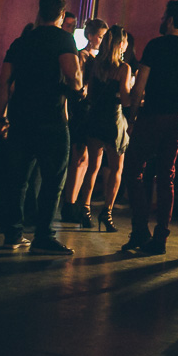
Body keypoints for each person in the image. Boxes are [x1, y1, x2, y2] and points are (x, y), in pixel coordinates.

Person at [0, 0, 81, 255]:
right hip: (52, 119)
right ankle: (43, 237)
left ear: (40, 11)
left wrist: (1, 117)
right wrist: (78, 87)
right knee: (53, 181)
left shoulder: (21, 41)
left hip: (20, 118)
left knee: (18, 180)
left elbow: (3, 82)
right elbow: (74, 78)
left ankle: (13, 234)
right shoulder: (64, 39)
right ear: (61, 14)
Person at [121, 0, 178, 255]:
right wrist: (176, 103)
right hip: (177, 117)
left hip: (152, 115)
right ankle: (160, 238)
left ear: (169, 20)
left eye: (163, 15)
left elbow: (139, 88)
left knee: (133, 170)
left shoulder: (155, 46)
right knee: (167, 175)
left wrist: (132, 118)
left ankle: (139, 230)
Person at [76, 25, 133, 231]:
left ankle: (85, 209)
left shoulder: (96, 65)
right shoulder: (123, 68)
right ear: (121, 44)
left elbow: (90, 95)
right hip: (113, 120)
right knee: (117, 168)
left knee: (93, 167)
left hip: (95, 118)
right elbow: (125, 100)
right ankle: (107, 213)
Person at [61, 17, 108, 226]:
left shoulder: (102, 59)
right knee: (79, 157)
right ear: (90, 36)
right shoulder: (82, 55)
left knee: (86, 159)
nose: (103, 40)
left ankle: (75, 203)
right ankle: (69, 204)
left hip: (93, 109)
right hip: (81, 109)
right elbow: (76, 83)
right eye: (100, 36)